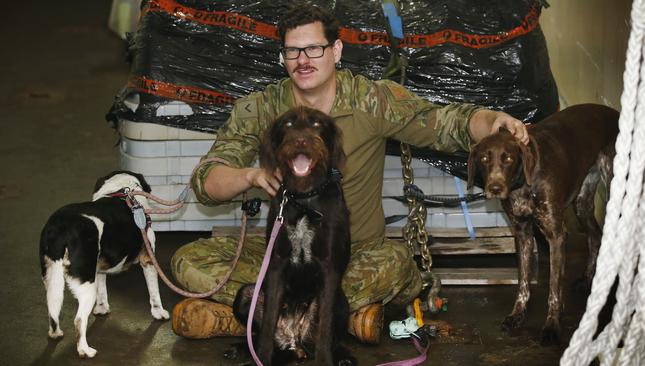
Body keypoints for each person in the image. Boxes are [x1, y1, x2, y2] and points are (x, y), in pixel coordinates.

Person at [170, 3, 529, 343]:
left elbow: (443, 123)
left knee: (397, 265)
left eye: (314, 49)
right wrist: (249, 177)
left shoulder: (369, 100)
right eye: (293, 51)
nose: (303, 60)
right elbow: (208, 181)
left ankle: (256, 320)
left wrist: (492, 122)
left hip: (353, 254)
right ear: (282, 56)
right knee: (188, 260)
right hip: (287, 260)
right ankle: (324, 322)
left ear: (336, 51)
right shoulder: (263, 108)